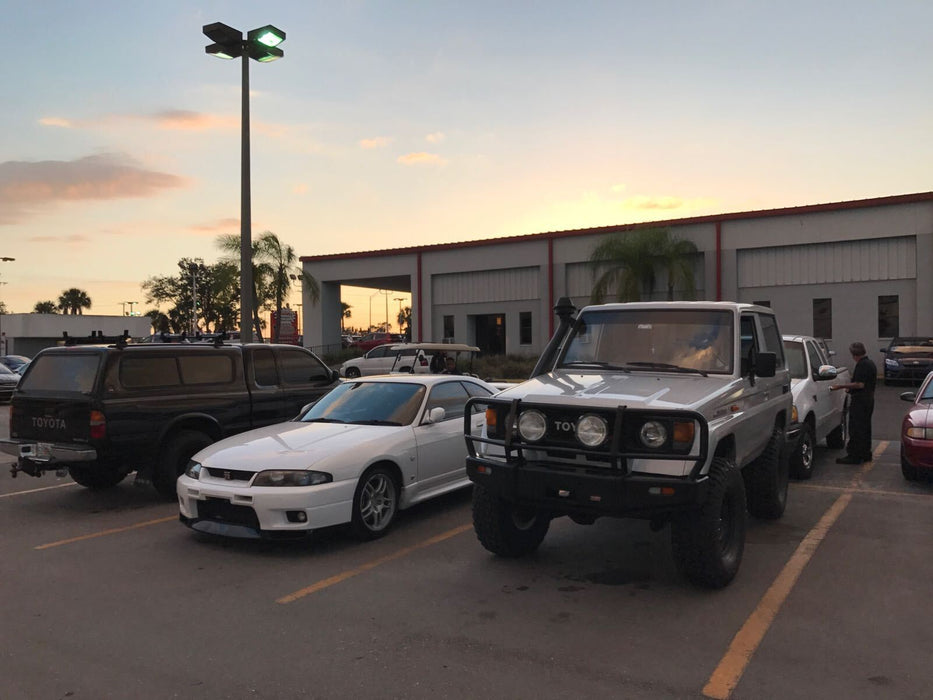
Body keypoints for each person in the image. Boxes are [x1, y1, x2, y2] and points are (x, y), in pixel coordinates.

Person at [830, 341, 877, 464]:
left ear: (854, 354)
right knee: (865, 428)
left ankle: (854, 455)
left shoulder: (862, 365)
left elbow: (859, 384)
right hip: (868, 400)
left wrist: (840, 386)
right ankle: (865, 453)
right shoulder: (870, 363)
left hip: (861, 401)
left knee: (856, 428)